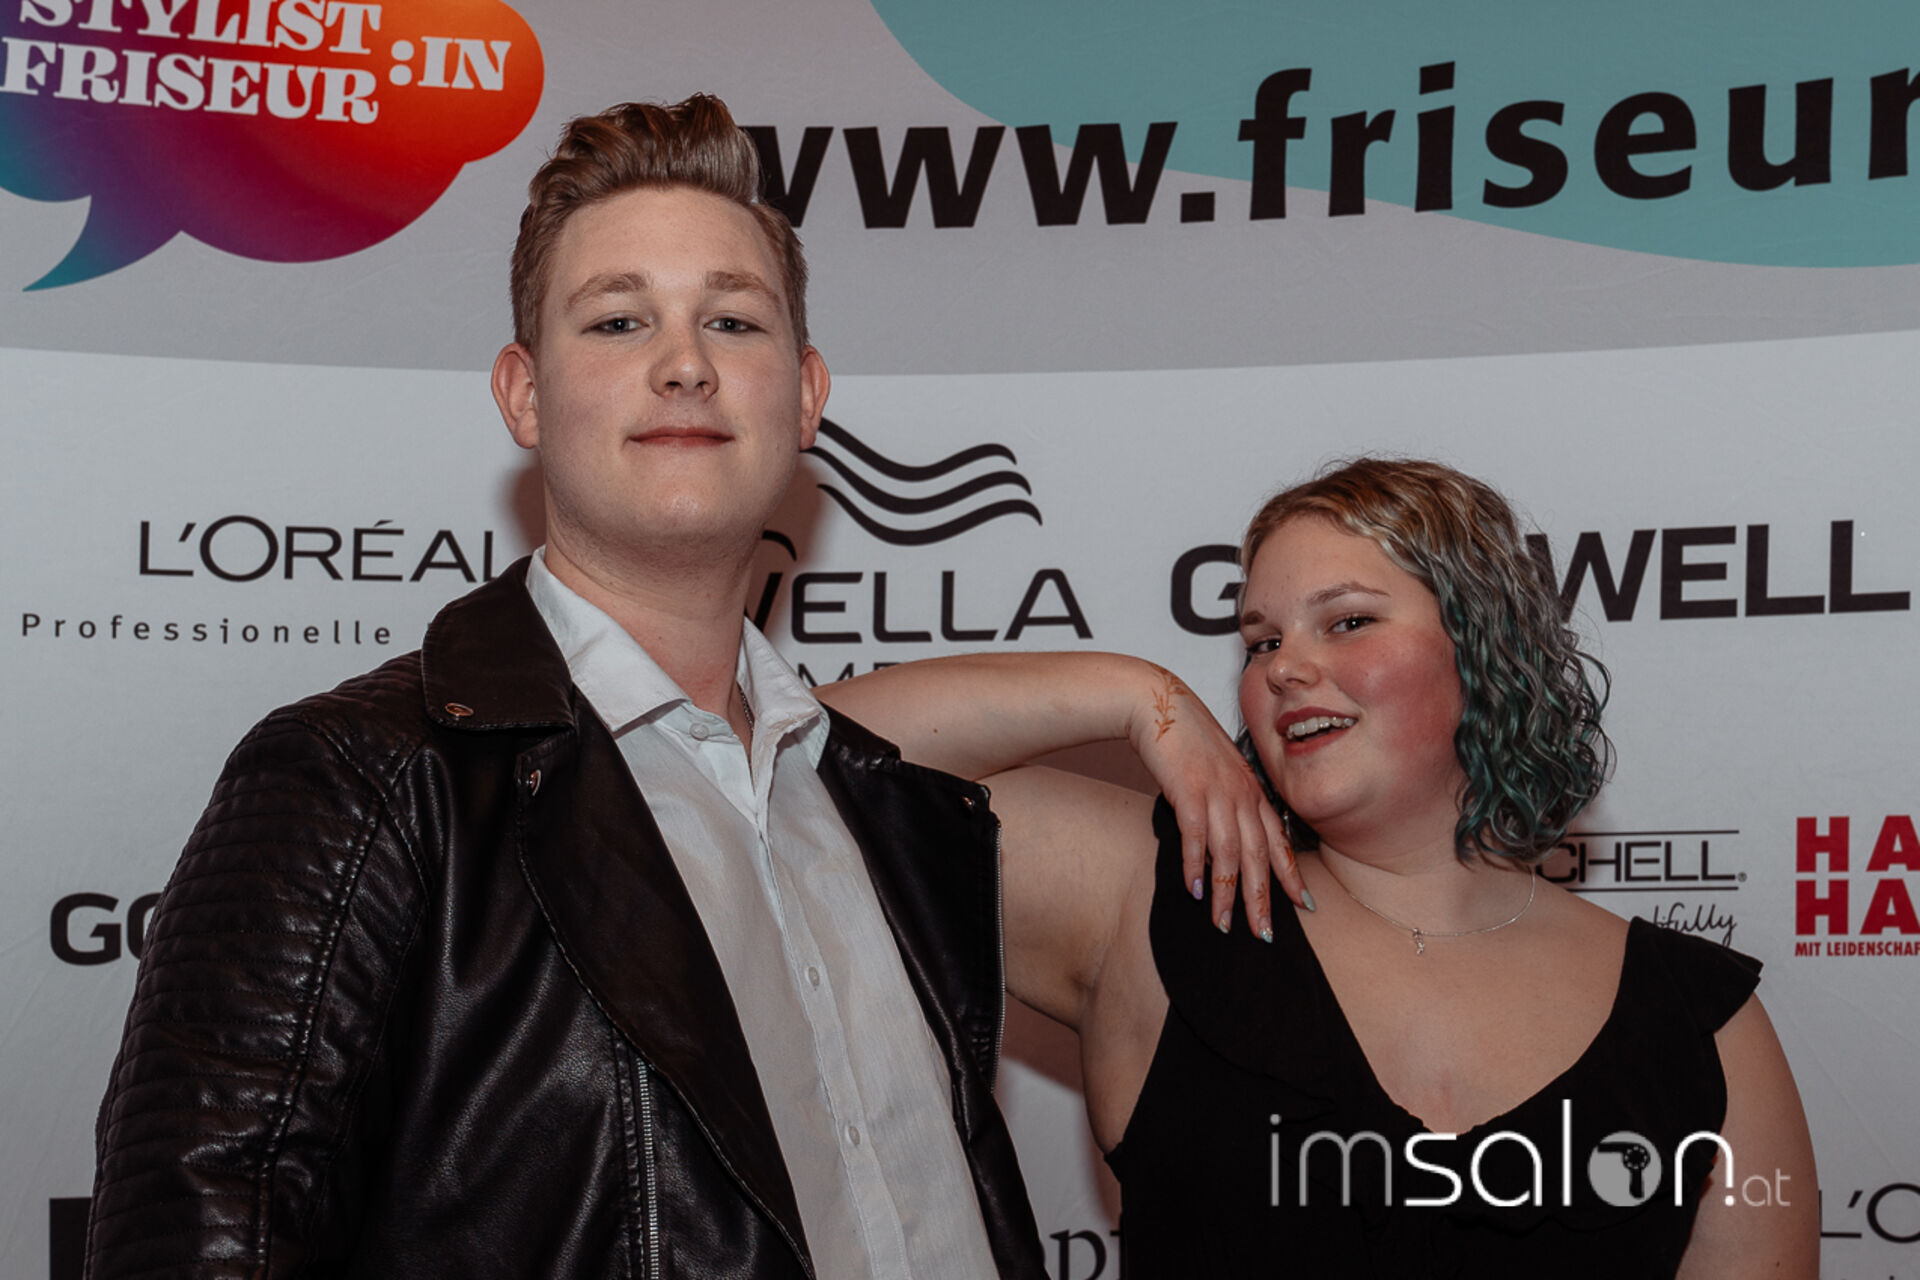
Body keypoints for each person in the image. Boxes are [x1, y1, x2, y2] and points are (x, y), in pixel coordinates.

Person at [84, 94, 1291, 1280]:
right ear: (523, 393)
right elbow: (197, 1235)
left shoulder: (873, 801)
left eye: (733, 320)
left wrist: (1143, 694)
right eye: (618, 321)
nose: (684, 366)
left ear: (805, 394)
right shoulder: (363, 781)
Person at [822, 457, 1819, 1278]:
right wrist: (1136, 691)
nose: (1284, 667)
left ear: (1483, 648)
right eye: (1260, 641)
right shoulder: (1164, 895)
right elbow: (804, 754)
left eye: (1346, 621)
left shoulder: (1700, 1021)